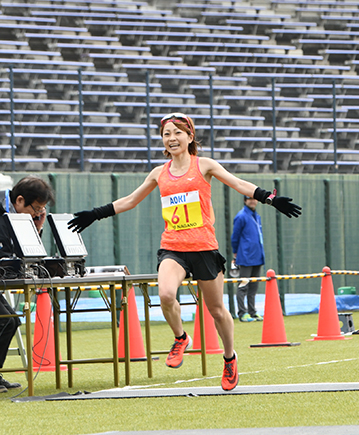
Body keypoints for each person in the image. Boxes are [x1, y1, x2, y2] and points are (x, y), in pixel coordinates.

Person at [67, 112, 301, 391]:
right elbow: (131, 200)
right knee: (166, 294)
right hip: (173, 247)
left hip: (203, 247)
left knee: (216, 310)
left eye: (177, 132)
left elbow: (238, 183)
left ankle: (229, 357)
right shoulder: (159, 173)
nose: (171, 138)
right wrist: (95, 214)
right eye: (166, 134)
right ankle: (181, 338)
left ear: (190, 137)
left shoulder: (204, 166)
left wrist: (270, 199)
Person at [0, 176, 54, 392]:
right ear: (20, 200)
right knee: (6, 321)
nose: (38, 213)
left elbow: (25, 255)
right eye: (36, 208)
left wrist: (37, 229)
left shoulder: (20, 218)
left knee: (10, 322)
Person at [231, 196, 265, 323]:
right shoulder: (241, 216)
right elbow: (235, 237)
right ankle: (242, 312)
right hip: (245, 257)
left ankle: (252, 312)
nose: (252, 201)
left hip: (257, 256)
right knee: (243, 285)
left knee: (253, 287)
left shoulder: (257, 216)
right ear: (245, 200)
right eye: (249, 199)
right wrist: (236, 254)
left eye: (254, 199)